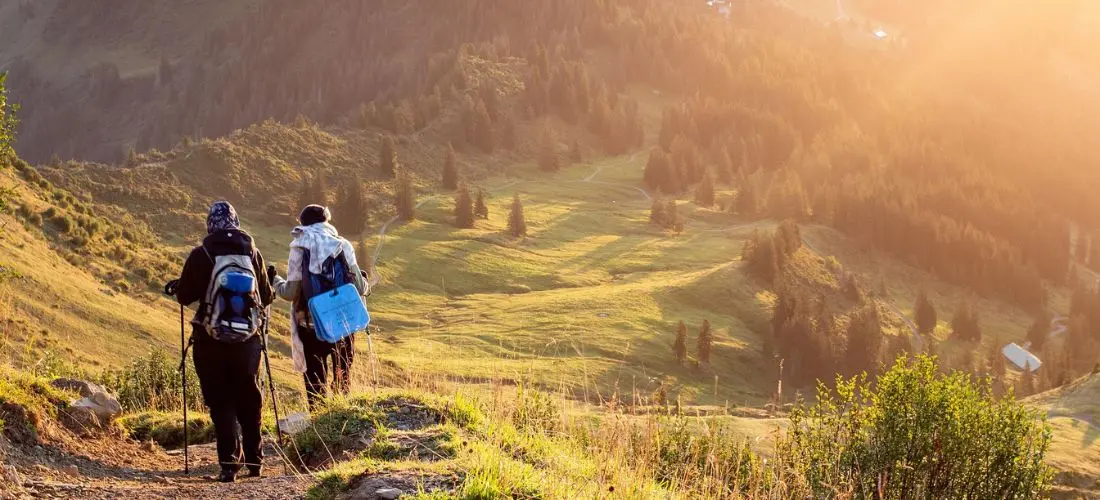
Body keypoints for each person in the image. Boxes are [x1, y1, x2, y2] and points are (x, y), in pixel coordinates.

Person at [173, 201, 274, 483]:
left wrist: (178, 286)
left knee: (220, 400)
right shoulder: (253, 253)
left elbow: (185, 297)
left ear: (210, 224)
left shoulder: (200, 254)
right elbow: (265, 297)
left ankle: (230, 464)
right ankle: (256, 461)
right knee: (249, 397)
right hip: (247, 341)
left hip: (209, 340)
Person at [271, 204, 369, 411]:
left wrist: (275, 281)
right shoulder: (343, 245)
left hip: (311, 325)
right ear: (327, 221)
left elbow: (290, 293)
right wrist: (365, 282)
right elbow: (359, 288)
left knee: (315, 383)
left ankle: (319, 426)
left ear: (303, 224)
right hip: (343, 324)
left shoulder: (299, 247)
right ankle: (343, 420)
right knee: (343, 379)